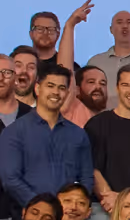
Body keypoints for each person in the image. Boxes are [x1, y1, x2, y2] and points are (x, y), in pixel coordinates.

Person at [0, 65, 94, 207]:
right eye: (50, 86)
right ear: (37, 89)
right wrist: (44, 207)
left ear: (68, 93)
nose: (56, 92)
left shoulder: (78, 135)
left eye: (61, 88)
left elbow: (86, 178)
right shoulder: (14, 132)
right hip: (28, 218)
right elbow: (10, 180)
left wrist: (74, 204)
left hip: (69, 218)